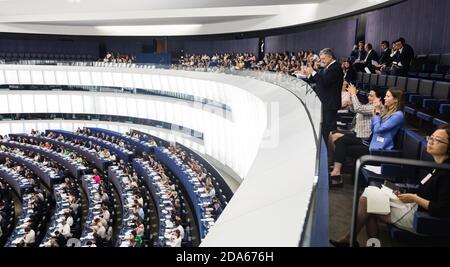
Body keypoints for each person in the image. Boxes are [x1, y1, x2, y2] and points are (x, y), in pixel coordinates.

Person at [330, 126, 450, 246]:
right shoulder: (437, 166)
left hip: (419, 217)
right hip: (413, 206)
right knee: (369, 195)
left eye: (438, 140)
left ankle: (351, 239)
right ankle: (361, 242)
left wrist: (414, 198)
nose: (431, 141)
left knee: (367, 203)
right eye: (431, 137)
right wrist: (405, 193)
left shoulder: (446, 173)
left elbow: (441, 209)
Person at [329, 87, 404, 186]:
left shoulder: (398, 115)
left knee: (342, 143)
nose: (385, 98)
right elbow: (373, 129)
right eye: (385, 96)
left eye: (388, 96)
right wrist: (375, 116)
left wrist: (376, 114)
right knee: (340, 142)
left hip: (379, 150)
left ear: (396, 99)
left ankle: (336, 173)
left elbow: (378, 130)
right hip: (373, 143)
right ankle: (336, 174)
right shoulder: (386, 111)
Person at [305, 48, 343, 143]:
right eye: (321, 59)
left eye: (323, 59)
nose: (321, 61)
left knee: (330, 128)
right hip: (324, 102)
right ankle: (327, 148)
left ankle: (333, 149)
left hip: (330, 103)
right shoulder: (326, 67)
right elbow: (314, 80)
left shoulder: (336, 67)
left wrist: (313, 72)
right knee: (325, 128)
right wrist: (310, 73)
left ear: (330, 57)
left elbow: (325, 81)